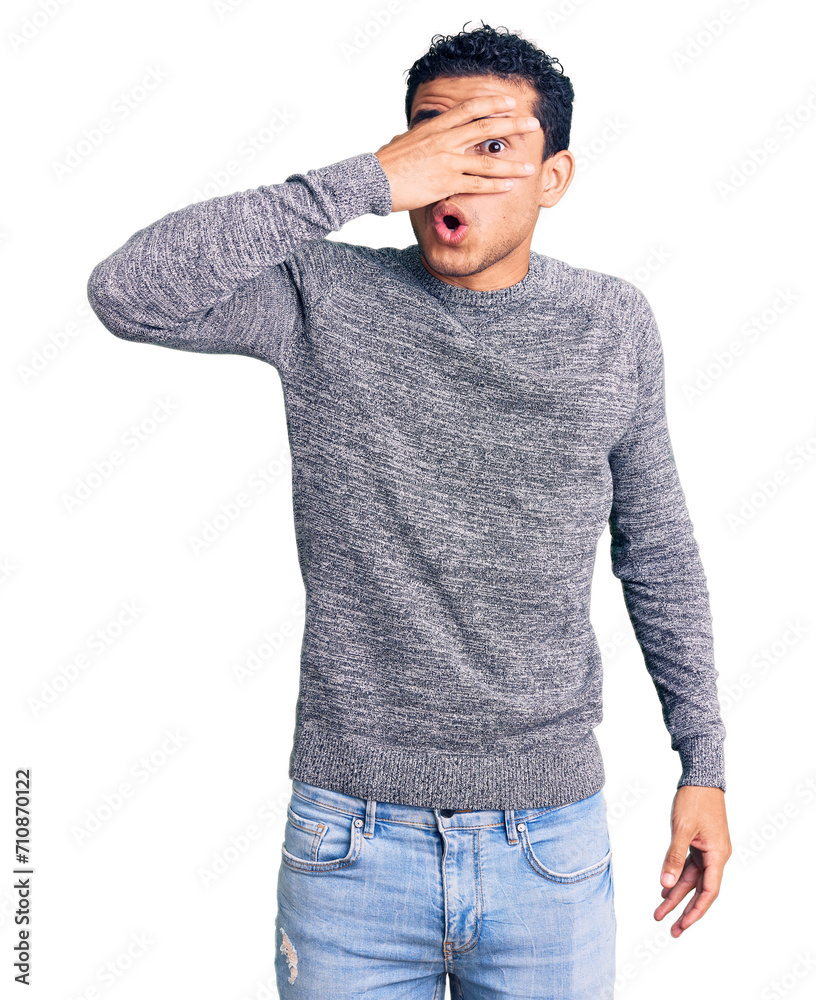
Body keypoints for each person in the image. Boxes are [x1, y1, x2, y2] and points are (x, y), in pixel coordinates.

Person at [87, 20, 731, 1000]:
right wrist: (360, 182)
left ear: (553, 177)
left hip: (548, 847)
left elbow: (657, 550)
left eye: (491, 146)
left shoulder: (612, 323)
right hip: (349, 843)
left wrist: (704, 764)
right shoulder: (324, 296)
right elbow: (128, 293)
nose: (453, 175)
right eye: (432, 140)